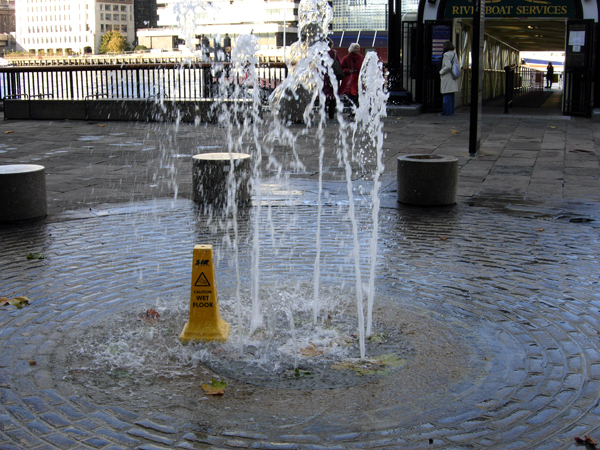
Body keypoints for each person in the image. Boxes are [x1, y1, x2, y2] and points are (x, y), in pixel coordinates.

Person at [340, 43, 364, 118]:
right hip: (351, 81)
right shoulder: (346, 58)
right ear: (352, 49)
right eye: (356, 48)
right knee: (351, 97)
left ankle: (357, 112)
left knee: (358, 96)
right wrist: (348, 71)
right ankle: (352, 112)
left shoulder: (362, 58)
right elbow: (342, 68)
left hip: (359, 80)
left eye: (359, 48)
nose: (358, 50)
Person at [439, 40, 459, 116]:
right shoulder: (454, 54)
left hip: (447, 76)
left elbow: (448, 66)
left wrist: (441, 72)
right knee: (451, 95)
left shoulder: (446, 55)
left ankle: (446, 111)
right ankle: (451, 111)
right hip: (452, 76)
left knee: (446, 95)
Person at [323, 38, 342, 119]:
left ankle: (323, 114)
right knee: (333, 96)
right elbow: (338, 63)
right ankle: (331, 114)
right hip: (332, 76)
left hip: (322, 76)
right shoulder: (334, 53)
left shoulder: (319, 52)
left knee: (323, 96)